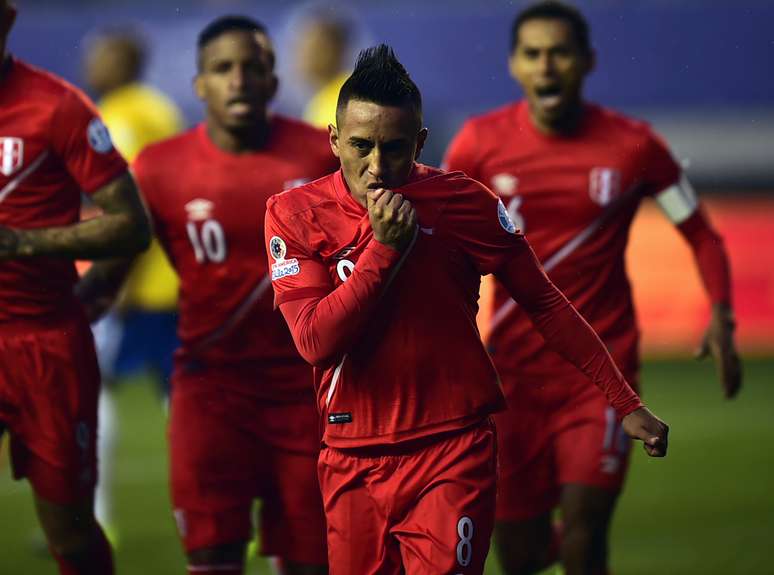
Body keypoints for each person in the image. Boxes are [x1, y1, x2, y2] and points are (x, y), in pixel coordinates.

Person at [265, 43, 669, 575]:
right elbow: (315, 342)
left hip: (451, 449)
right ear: (335, 140)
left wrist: (623, 401)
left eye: (395, 148)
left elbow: (544, 302)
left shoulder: (466, 203)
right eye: (361, 146)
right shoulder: (293, 214)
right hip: (349, 456)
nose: (378, 166)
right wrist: (385, 250)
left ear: (422, 142)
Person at [443, 2, 742, 574]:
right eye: (534, 54)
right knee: (522, 555)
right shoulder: (479, 145)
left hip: (601, 376)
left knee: (586, 540)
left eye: (560, 53)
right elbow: (443, 246)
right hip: (510, 381)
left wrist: (723, 317)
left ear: (587, 62)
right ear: (514, 65)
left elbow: (701, 233)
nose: (547, 66)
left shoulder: (633, 147)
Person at [78, 15, 338, 575]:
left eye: (253, 68)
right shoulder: (160, 168)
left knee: (309, 563)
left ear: (274, 80)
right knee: (212, 559)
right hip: (210, 396)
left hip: (307, 397)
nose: (238, 80)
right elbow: (107, 275)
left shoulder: (324, 158)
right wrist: (48, 326)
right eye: (223, 69)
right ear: (199, 85)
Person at [0, 0, 150, 573]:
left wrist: (22, 243)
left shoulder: (56, 107)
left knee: (69, 531)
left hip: (43, 345)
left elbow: (131, 223)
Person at [83, 26, 185, 543]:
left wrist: (115, 277)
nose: (91, 59)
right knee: (185, 402)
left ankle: (94, 517)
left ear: (120, 59)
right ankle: (226, 511)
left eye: (99, 50)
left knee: (89, 392)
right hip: (173, 277)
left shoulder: (122, 114)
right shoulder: (159, 108)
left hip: (142, 286)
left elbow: (131, 203)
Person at [293, 8, 353, 128]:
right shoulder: (317, 105)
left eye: (311, 47)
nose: (302, 56)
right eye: (300, 47)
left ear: (331, 50)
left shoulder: (355, 96)